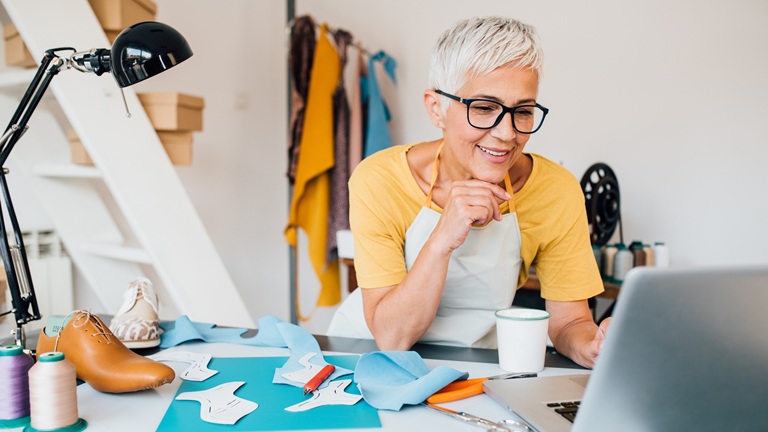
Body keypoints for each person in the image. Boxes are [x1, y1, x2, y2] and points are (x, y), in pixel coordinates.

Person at [328, 16, 610, 369]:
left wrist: (593, 346)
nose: (507, 133)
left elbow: (569, 321)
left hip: (476, 362)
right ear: (437, 109)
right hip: (370, 355)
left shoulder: (556, 190)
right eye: (484, 108)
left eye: (522, 111)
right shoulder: (379, 179)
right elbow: (392, 337)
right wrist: (443, 238)